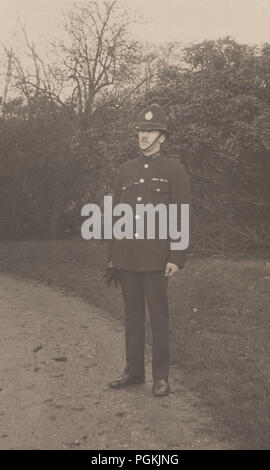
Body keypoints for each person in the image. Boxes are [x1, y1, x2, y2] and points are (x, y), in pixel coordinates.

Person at [107, 103, 191, 396]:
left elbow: (181, 215)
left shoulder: (174, 171)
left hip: (157, 259)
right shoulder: (124, 170)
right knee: (131, 318)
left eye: (151, 131)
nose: (144, 136)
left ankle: (161, 377)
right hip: (127, 258)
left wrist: (177, 257)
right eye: (141, 130)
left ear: (162, 137)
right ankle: (134, 371)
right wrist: (113, 257)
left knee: (158, 319)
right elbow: (117, 216)